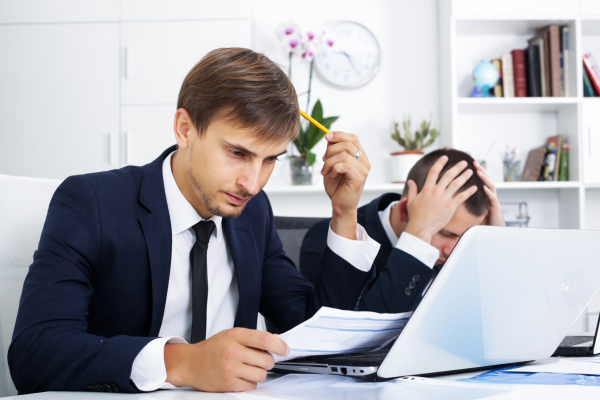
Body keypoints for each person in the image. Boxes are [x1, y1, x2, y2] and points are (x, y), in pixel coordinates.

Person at [8, 48, 382, 394]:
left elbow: (314, 336)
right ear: (185, 129)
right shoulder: (92, 202)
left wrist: (344, 214)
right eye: (237, 153)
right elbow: (34, 353)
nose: (252, 184)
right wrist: (182, 363)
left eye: (270, 159)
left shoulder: (254, 211)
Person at [300, 148, 506, 313]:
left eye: (465, 236)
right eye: (445, 233)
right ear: (406, 210)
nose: (453, 250)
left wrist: (499, 243)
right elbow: (351, 337)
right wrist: (419, 233)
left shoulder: (461, 248)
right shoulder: (328, 239)